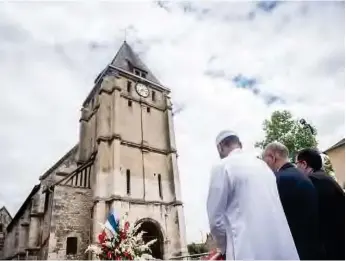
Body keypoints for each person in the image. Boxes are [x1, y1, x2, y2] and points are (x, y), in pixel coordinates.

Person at [207, 131, 299, 260]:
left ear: (220, 147)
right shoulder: (264, 166)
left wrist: (223, 248)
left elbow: (215, 220)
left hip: (246, 250)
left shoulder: (222, 166)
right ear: (240, 144)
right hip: (279, 248)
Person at [262, 142, 325, 260]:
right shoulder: (302, 176)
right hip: (312, 247)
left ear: (272, 157)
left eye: (265, 161)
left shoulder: (277, 179)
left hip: (295, 251)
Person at [296, 148, 345, 260]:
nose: (296, 168)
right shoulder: (324, 178)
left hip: (331, 246)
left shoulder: (314, 181)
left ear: (304, 164)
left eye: (296, 163)